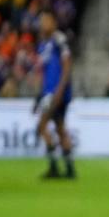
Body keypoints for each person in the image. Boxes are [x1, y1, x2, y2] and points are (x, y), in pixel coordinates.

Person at [35, 10, 76, 179]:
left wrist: (59, 91)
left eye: (45, 20)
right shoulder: (43, 44)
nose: (42, 24)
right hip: (49, 92)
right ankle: (69, 169)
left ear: (53, 22)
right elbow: (45, 71)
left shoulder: (59, 39)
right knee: (60, 128)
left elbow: (67, 65)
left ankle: (54, 168)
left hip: (57, 92)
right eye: (41, 21)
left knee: (41, 126)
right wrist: (39, 95)